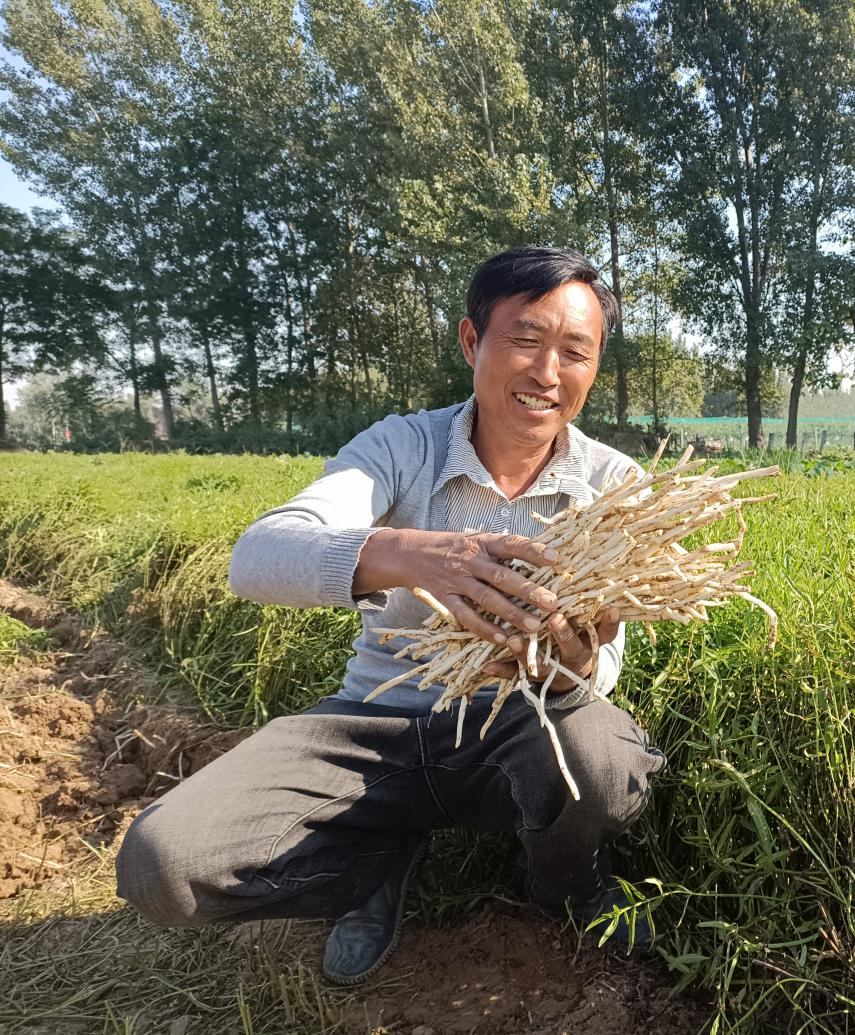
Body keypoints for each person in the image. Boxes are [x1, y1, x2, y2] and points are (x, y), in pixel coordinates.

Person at [115, 246, 666, 985]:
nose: (546, 372)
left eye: (575, 351)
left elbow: (607, 656)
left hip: (516, 726)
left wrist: (570, 670)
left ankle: (565, 884)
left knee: (605, 759)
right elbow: (257, 555)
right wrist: (408, 552)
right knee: (162, 865)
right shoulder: (399, 446)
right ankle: (370, 862)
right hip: (374, 723)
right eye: (526, 339)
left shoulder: (614, 483)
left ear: (593, 369)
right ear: (473, 341)